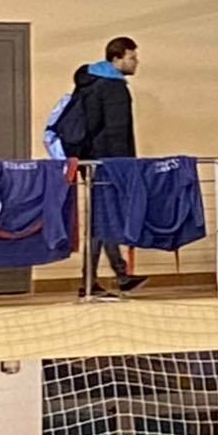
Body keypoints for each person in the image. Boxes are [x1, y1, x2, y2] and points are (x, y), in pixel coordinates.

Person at [75, 36, 147, 295]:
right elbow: (117, 132)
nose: (136, 62)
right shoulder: (114, 88)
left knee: (104, 218)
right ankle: (89, 283)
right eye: (132, 57)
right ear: (117, 58)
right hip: (109, 164)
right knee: (100, 222)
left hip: (90, 161)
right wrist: (125, 168)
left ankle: (120, 274)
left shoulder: (88, 82)